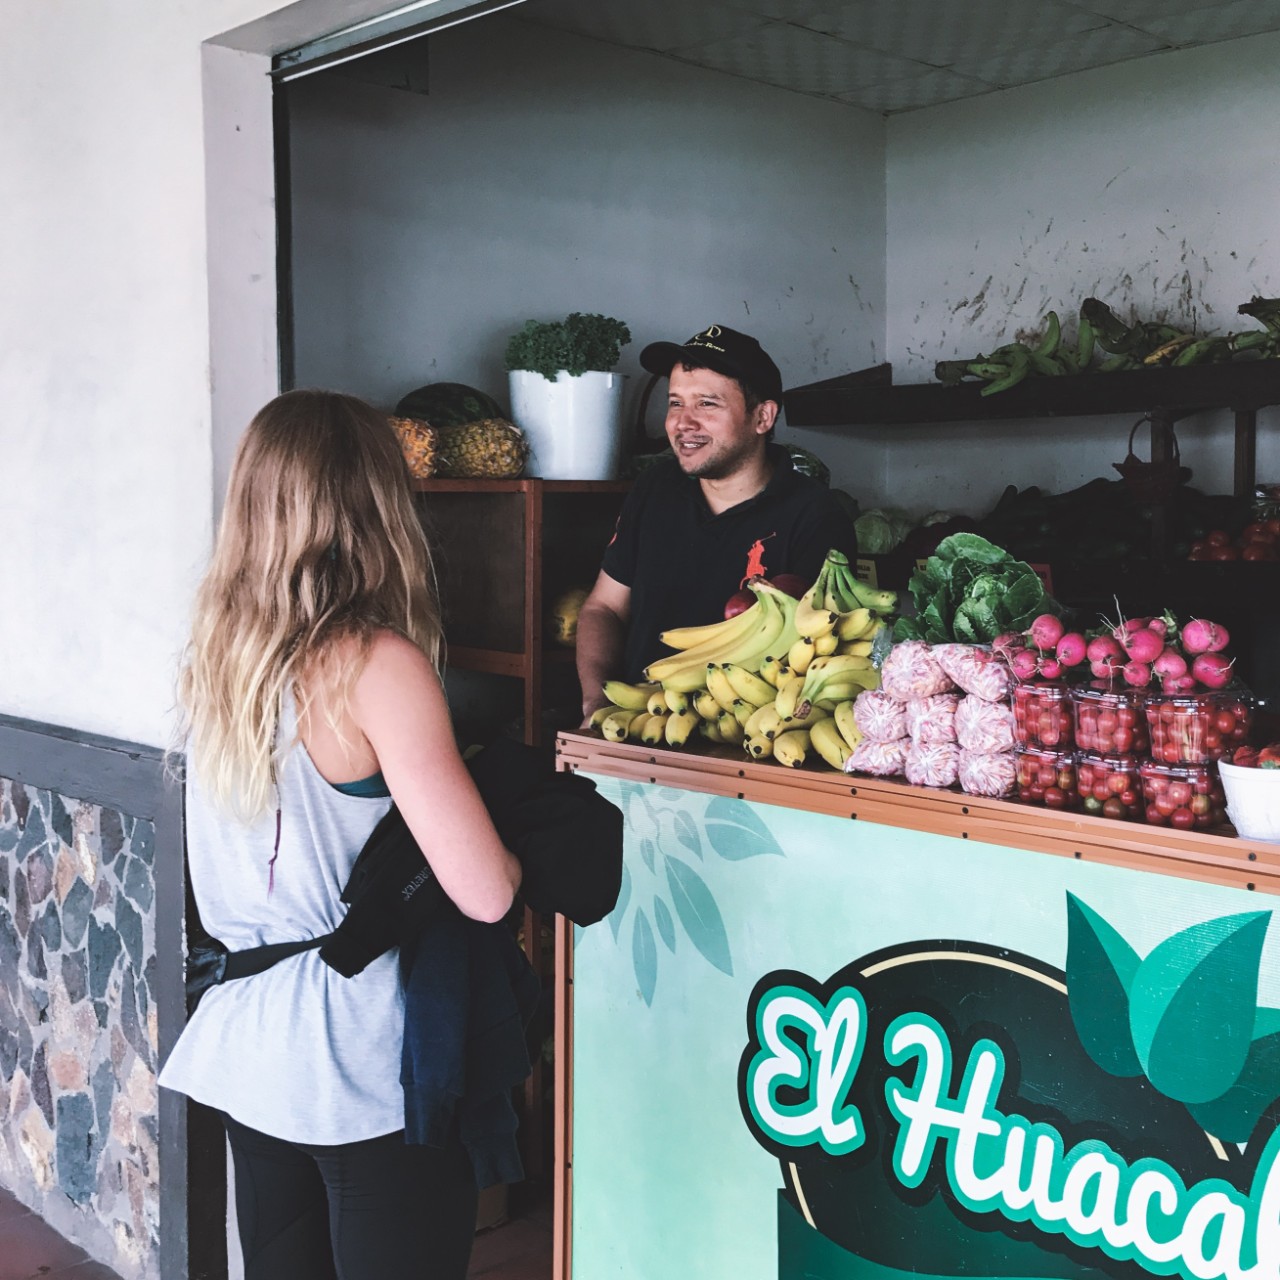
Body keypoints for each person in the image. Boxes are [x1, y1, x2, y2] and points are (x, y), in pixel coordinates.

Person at [158, 390, 522, 1280]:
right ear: (376, 505)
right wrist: (516, 846)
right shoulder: (377, 666)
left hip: (251, 1043)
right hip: (362, 1058)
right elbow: (486, 892)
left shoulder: (218, 657)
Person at [576, 324, 858, 719]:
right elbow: (603, 608)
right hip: (637, 723)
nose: (683, 422)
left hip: (747, 733)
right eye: (675, 403)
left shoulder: (815, 516)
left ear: (763, 417)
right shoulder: (655, 488)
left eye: (707, 404)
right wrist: (596, 702)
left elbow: (819, 655)